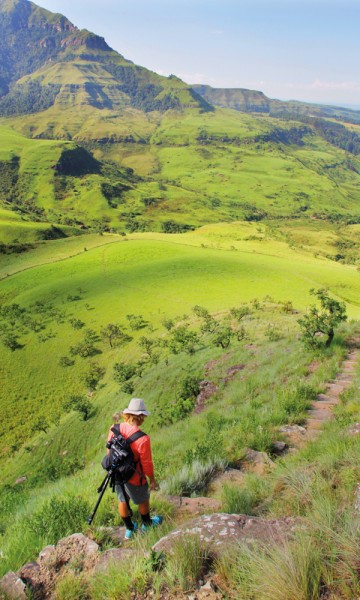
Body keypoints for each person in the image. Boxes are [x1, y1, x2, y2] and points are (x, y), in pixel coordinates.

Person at [107, 397, 163, 539]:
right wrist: (152, 479)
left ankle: (130, 529)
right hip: (134, 476)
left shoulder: (114, 428)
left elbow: (109, 452)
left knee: (122, 500)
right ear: (141, 416)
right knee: (143, 500)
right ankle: (147, 524)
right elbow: (147, 464)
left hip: (117, 473)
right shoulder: (142, 439)